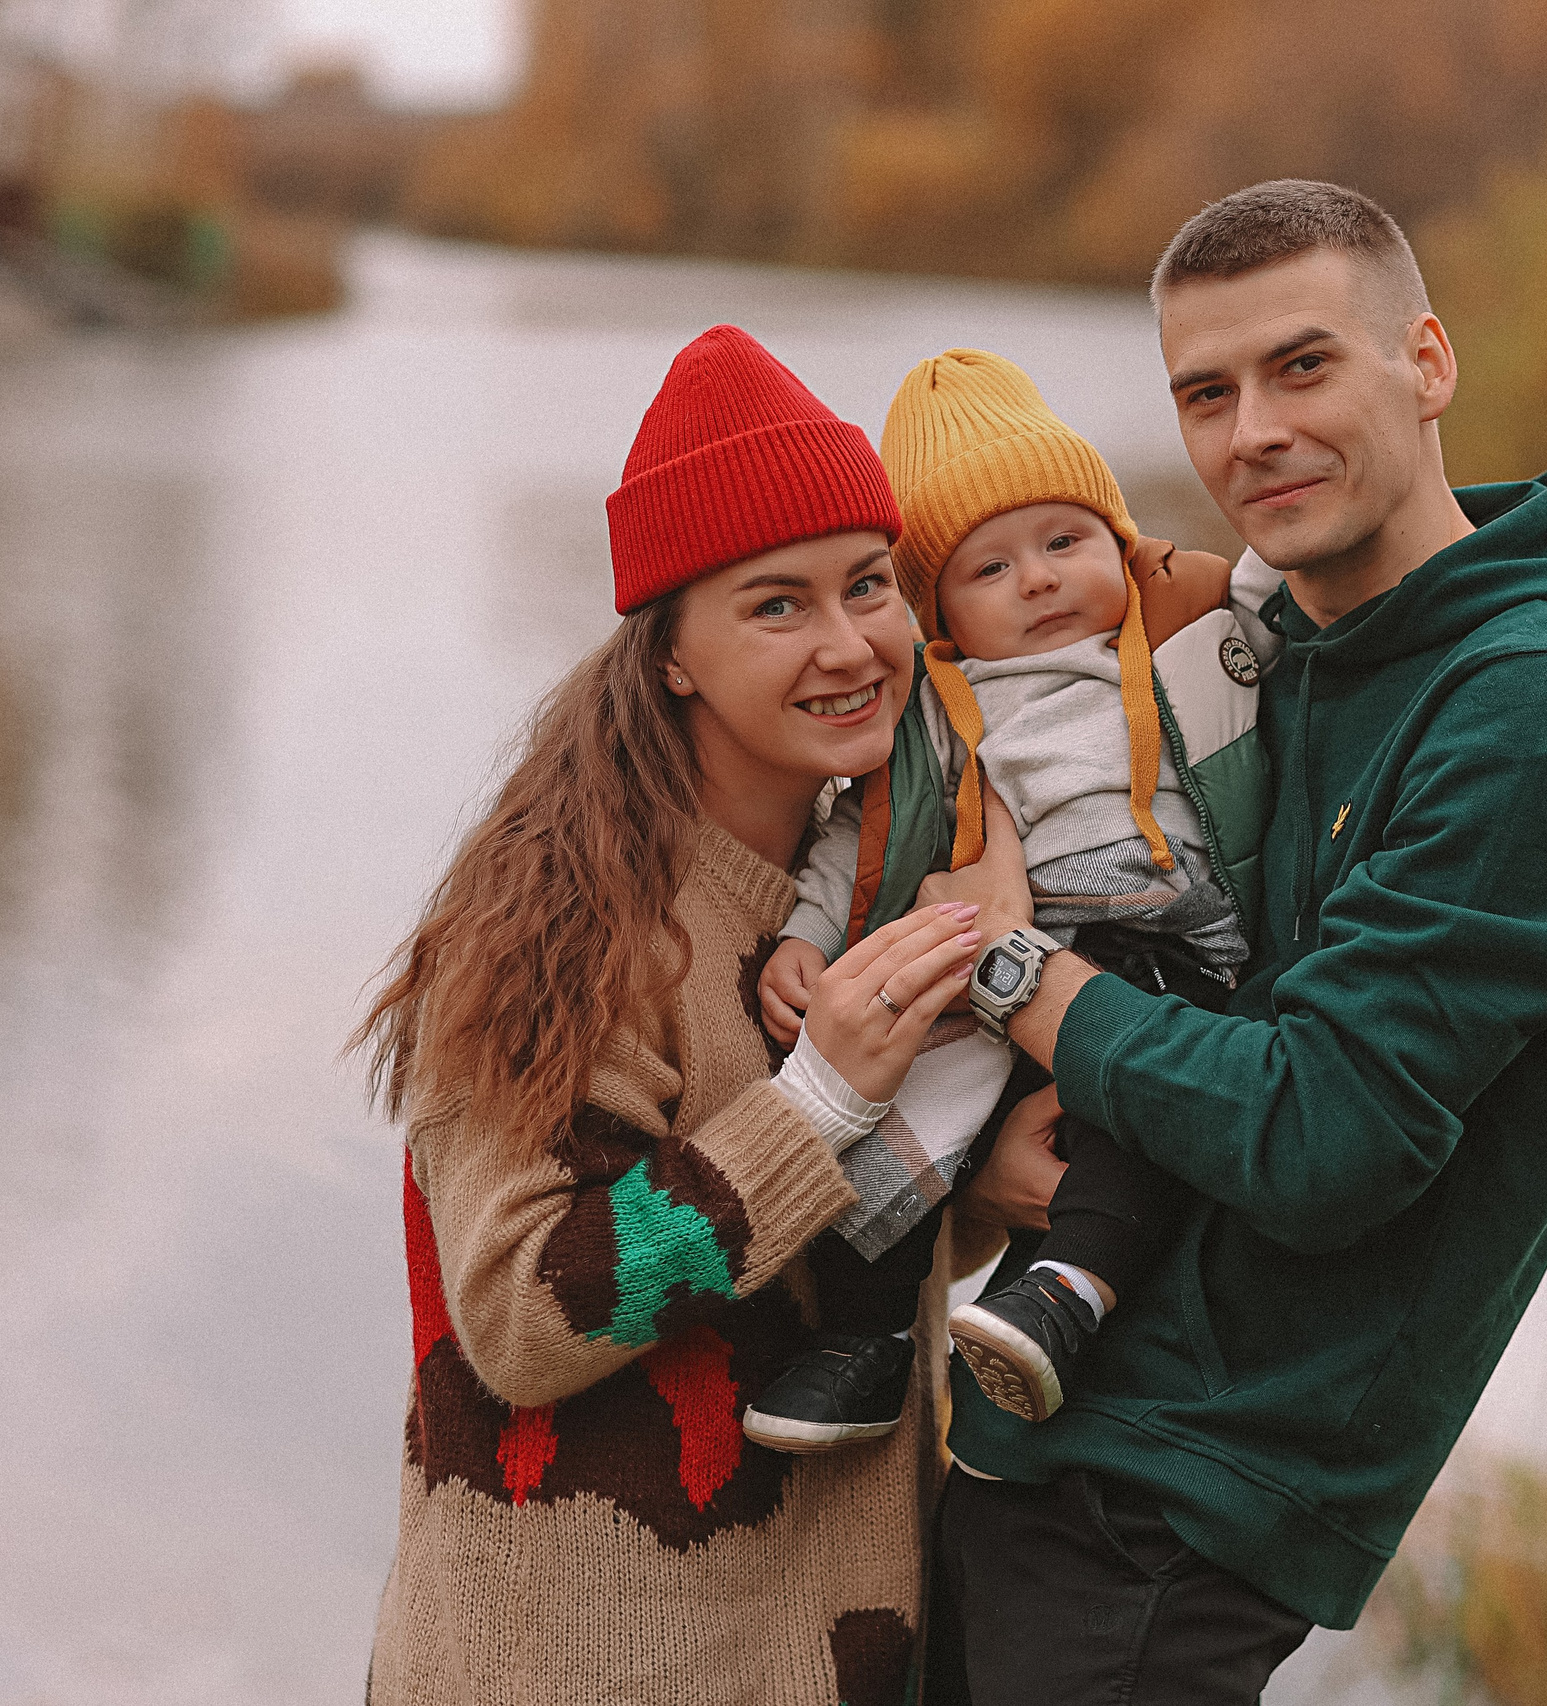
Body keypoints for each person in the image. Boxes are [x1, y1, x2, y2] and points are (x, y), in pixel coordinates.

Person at [922, 180, 1547, 1703]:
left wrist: (1011, 969)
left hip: (1181, 1504)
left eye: (1302, 367)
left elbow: (1322, 1132)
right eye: (1204, 394)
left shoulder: (1534, 709)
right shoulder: (1281, 650)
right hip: (1067, 1432)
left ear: (1427, 362)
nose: (1250, 432)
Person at [353, 324, 1056, 1705]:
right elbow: (521, 1314)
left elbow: (812, 1244)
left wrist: (983, 1193)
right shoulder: (558, 919)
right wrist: (822, 1096)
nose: (852, 642)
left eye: (867, 584)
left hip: (812, 1647)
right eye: (776, 605)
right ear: (670, 650)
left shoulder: (872, 869)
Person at [748, 348, 1280, 1444]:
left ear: (1118, 545)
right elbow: (853, 835)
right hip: (986, 965)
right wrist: (805, 933)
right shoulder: (939, 708)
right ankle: (867, 1341)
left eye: (1064, 540)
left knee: (1135, 1107)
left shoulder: (1188, 638)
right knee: (902, 1114)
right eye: (987, 570)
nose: (1037, 580)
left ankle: (1064, 1292)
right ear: (935, 607)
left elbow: (1313, 601)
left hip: (1163, 947)